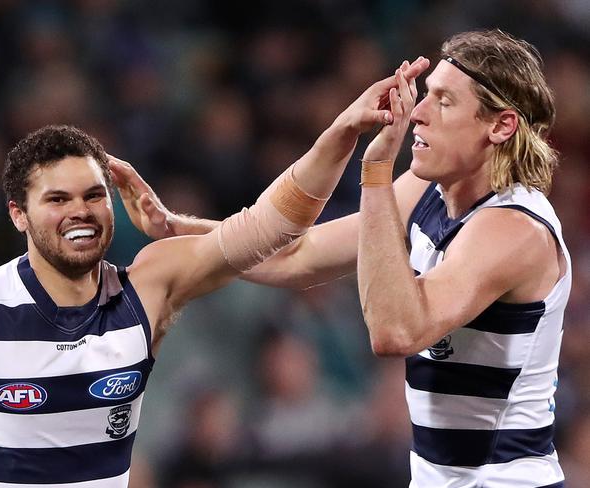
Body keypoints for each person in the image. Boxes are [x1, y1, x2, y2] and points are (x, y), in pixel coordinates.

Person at [0, 57, 429, 487]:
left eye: (93, 195)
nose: (81, 212)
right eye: (57, 200)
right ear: (17, 214)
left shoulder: (148, 285)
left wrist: (341, 131)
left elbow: (269, 229)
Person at [117, 29, 569, 487]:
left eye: (445, 102)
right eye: (425, 95)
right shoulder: (429, 194)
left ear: (500, 125)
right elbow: (296, 255)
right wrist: (176, 227)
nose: (419, 114)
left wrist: (375, 172)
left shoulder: (513, 228)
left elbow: (397, 330)